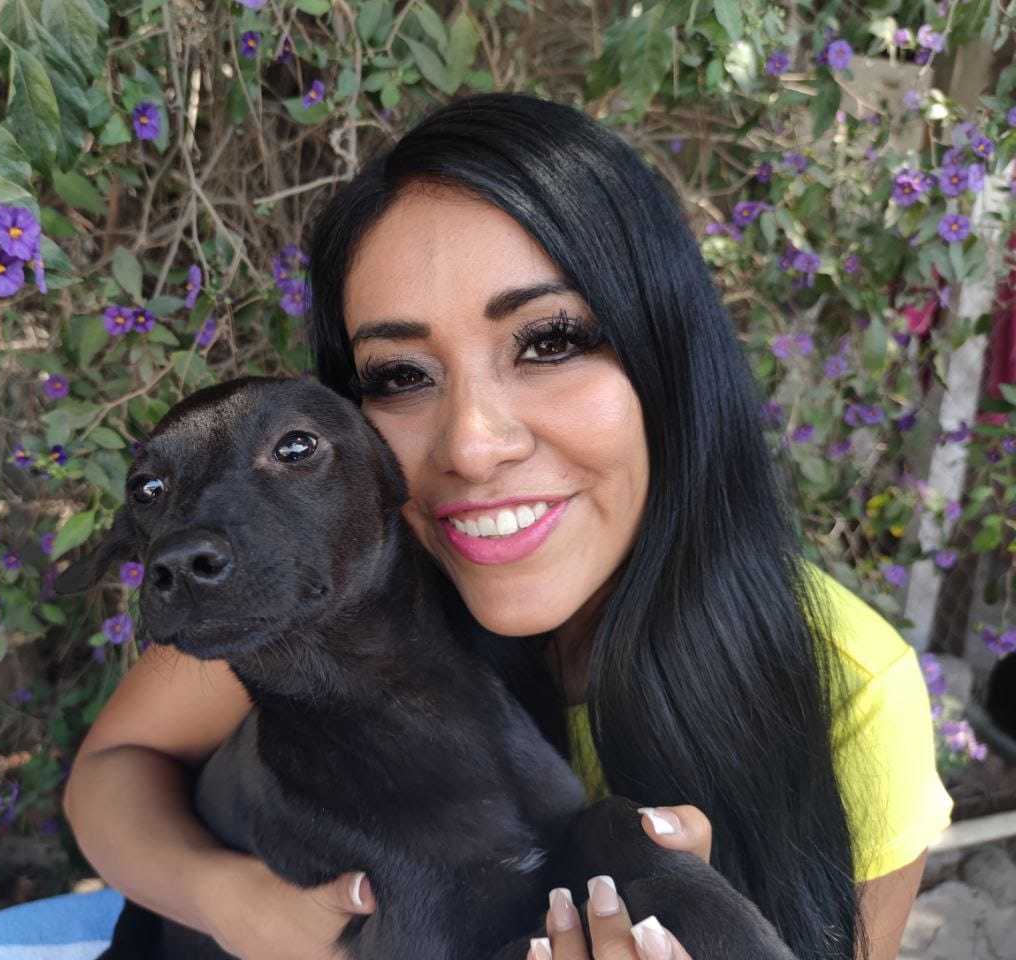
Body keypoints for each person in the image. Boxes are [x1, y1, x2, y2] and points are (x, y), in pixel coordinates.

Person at [63, 93, 953, 960]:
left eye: (550, 341)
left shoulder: (847, 694)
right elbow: (113, 771)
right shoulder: (344, 581)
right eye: (402, 376)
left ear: (667, 355)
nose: (474, 446)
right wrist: (230, 902)